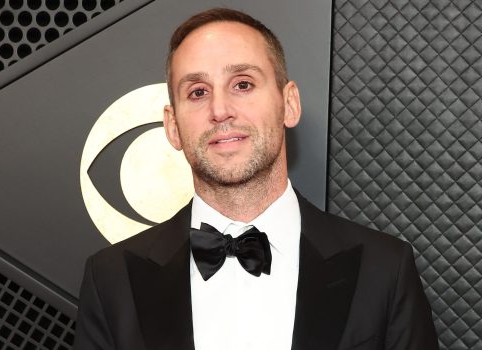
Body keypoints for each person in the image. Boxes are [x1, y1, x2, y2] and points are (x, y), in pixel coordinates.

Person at [74, 8, 439, 350]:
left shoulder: (385, 270)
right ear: (172, 126)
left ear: (289, 103)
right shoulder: (110, 280)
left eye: (243, 84)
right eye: (198, 92)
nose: (220, 110)